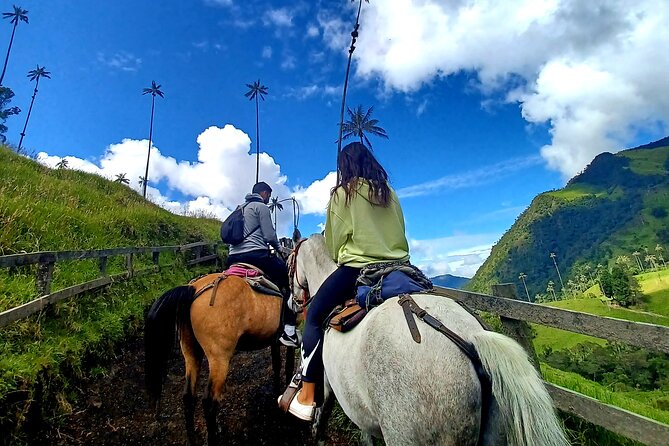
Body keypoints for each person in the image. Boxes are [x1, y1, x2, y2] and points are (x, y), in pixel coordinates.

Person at [282, 142, 410, 421]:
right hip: (402, 269)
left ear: (345, 167)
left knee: (314, 316)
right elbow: (400, 230)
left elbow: (333, 242)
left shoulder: (343, 193)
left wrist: (342, 252)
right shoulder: (389, 193)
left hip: (359, 270)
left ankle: (307, 396)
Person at [225, 181, 299, 348]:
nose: (269, 199)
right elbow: (269, 236)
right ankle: (289, 330)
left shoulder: (239, 208)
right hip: (256, 256)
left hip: (232, 257)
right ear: (264, 193)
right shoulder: (261, 207)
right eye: (269, 196)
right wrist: (280, 250)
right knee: (288, 283)